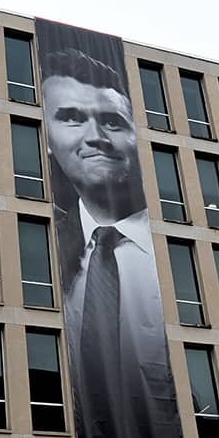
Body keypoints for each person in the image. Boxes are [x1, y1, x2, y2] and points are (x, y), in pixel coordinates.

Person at [40, 48, 168, 417]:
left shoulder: (179, 252)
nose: (95, 136)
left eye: (113, 122)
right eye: (72, 118)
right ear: (47, 138)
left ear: (135, 138)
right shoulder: (45, 251)